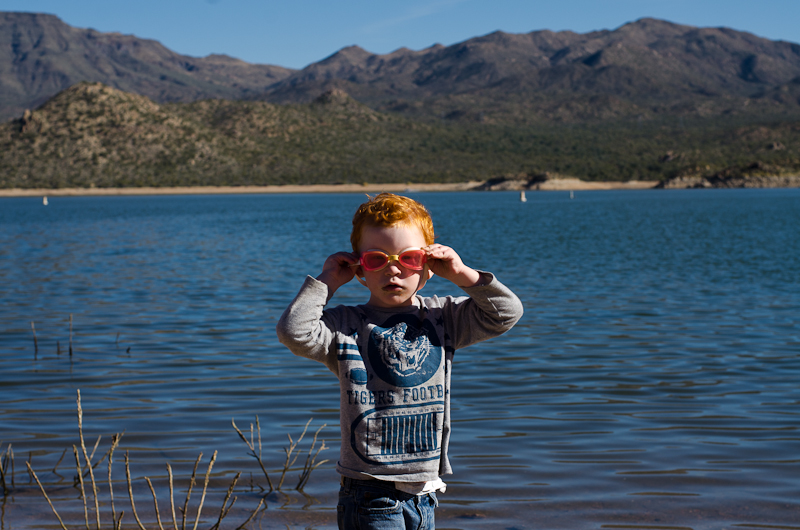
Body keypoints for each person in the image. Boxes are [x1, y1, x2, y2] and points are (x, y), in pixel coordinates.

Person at [276, 193, 523, 529]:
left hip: (425, 491)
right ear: (360, 269)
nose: (393, 269)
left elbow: (506, 313)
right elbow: (293, 331)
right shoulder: (345, 325)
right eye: (377, 259)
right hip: (369, 491)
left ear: (429, 266)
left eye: (409, 258)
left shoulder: (443, 316)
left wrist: (462, 274)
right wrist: (328, 280)